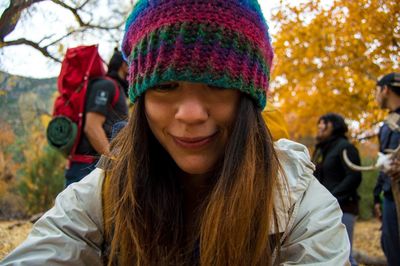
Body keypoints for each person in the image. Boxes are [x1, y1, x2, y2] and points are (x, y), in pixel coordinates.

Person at [0, 1, 350, 265]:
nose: (191, 114)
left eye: (217, 84)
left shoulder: (299, 204)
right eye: (166, 85)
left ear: (248, 98)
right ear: (142, 98)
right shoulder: (105, 192)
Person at [64, 49, 129, 186]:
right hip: (87, 169)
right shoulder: (106, 86)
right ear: (124, 65)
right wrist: (113, 163)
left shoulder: (115, 87)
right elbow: (92, 127)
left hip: (93, 167)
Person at [311, 113, 362, 266]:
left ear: (335, 125)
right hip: (322, 211)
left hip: (344, 208)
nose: (320, 126)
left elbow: (354, 177)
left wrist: (333, 198)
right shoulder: (321, 150)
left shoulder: (345, 147)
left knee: (345, 256)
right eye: (319, 123)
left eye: (324, 123)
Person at [373, 72, 400, 266]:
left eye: (376, 90)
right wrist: (377, 196)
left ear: (385, 89)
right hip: (390, 198)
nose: (376, 96)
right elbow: (384, 163)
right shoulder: (386, 126)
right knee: (391, 248)